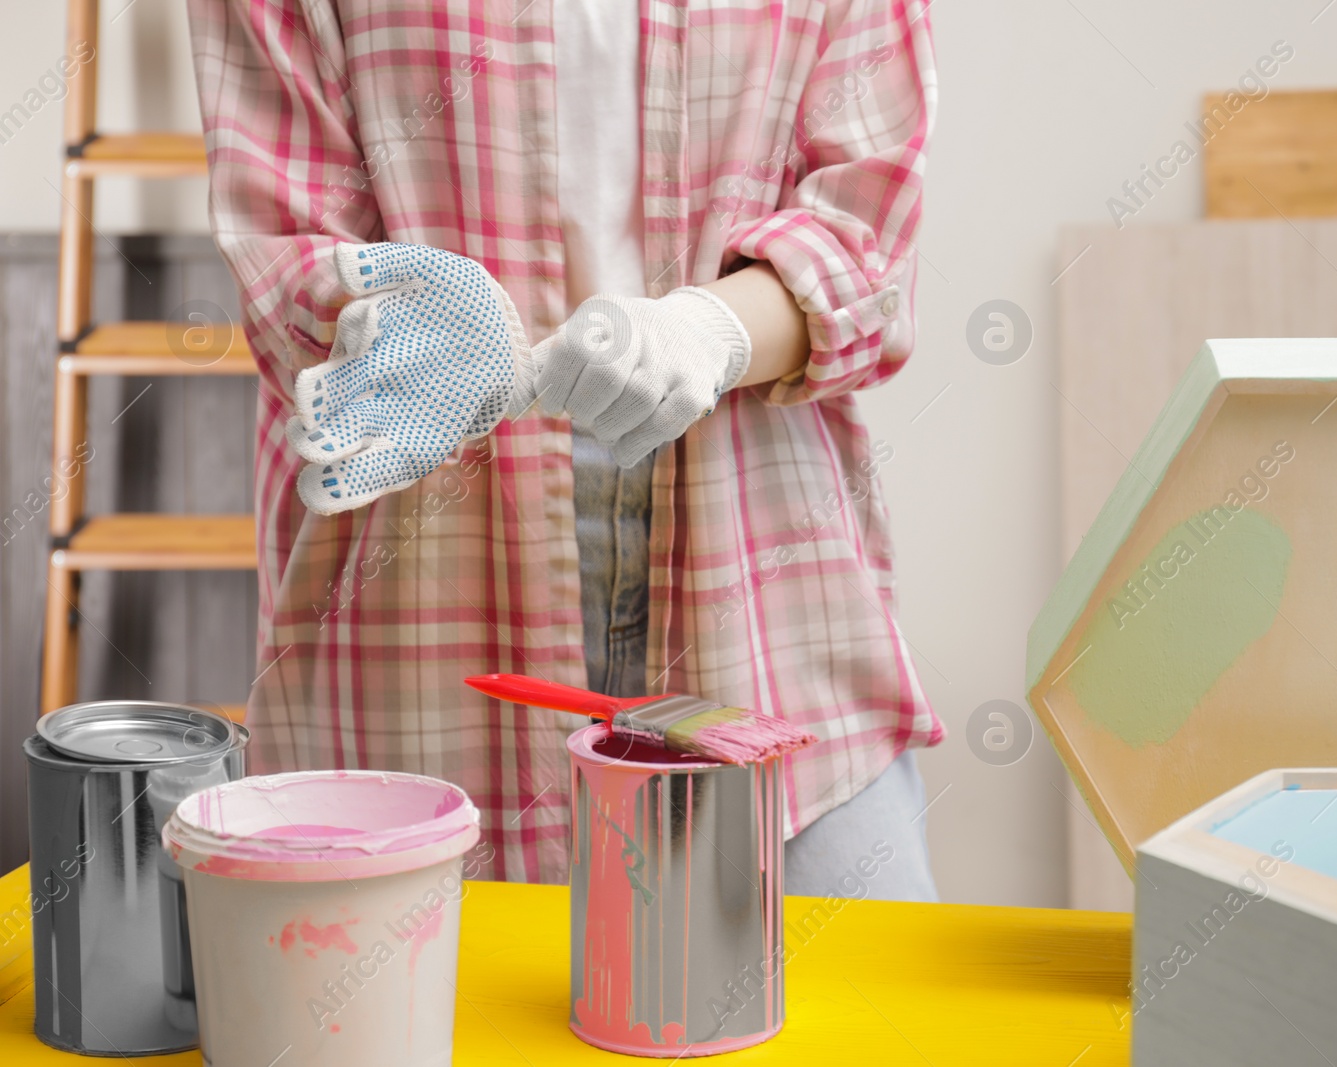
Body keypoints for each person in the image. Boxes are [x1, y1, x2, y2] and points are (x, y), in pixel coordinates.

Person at [186, 0, 943, 899]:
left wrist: (712, 332)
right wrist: (421, 333)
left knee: (852, 1022)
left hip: (767, 587)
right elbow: (284, 257)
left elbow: (867, 245)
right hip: (420, 599)